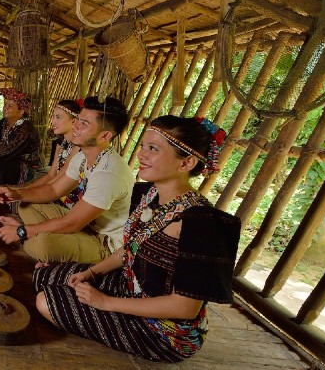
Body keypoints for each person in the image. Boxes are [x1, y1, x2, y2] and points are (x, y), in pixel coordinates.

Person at [32, 116, 238, 362]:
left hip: (162, 330)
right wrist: (93, 273)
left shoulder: (202, 223)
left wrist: (106, 302)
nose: (142, 155)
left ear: (187, 163)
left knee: (45, 301)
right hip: (129, 285)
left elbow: (184, 307)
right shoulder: (147, 195)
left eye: (153, 149)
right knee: (44, 275)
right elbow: (131, 248)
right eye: (143, 146)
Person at [0, 96, 134, 264]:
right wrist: (17, 194)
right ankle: (36, 235)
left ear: (105, 135)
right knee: (27, 204)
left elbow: (72, 223)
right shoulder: (82, 156)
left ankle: (34, 237)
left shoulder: (109, 174)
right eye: (78, 120)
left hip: (104, 241)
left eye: (84, 123)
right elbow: (53, 190)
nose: (75, 125)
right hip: (83, 225)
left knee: (43, 246)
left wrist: (22, 232)